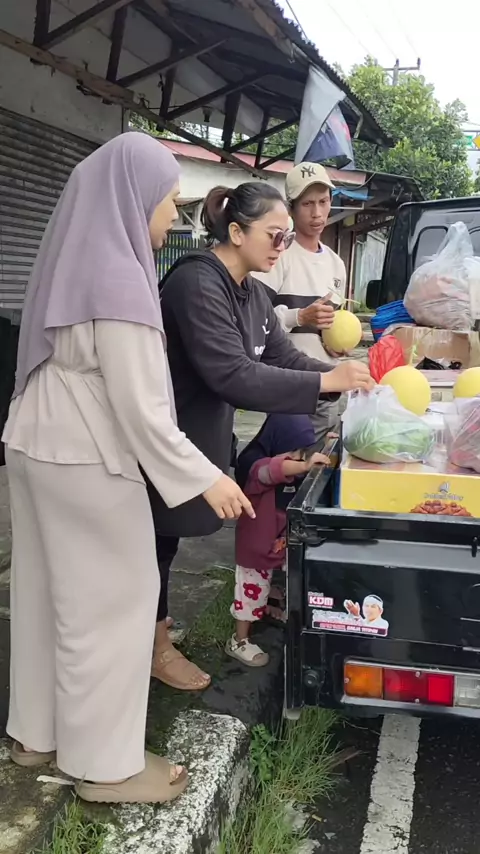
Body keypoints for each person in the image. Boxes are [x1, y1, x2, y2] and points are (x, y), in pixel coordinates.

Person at [2, 132, 253, 805]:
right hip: (86, 453)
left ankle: (36, 733)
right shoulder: (121, 278)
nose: (172, 214)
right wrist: (208, 476)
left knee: (45, 591)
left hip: (33, 440)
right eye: (167, 199)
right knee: (116, 601)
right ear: (133, 198)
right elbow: (142, 411)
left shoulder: (69, 261)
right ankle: (106, 766)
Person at [147, 181, 374, 692]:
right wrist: (325, 382)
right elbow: (233, 374)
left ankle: (152, 623)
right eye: (275, 235)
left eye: (286, 237)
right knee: (152, 542)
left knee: (165, 542)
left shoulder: (251, 293)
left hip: (201, 432)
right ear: (236, 231)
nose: (282, 246)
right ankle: (154, 646)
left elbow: (283, 357)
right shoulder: (197, 283)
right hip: (162, 436)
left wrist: (342, 377)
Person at [255, 162, 348, 445]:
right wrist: (299, 317)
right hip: (291, 390)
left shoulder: (336, 264)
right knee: (289, 463)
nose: (317, 213)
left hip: (329, 388)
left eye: (323, 201)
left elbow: (333, 326)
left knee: (319, 463)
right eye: (307, 204)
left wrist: (337, 344)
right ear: (291, 208)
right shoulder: (276, 256)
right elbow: (255, 320)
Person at [227, 413, 331, 667]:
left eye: (301, 452)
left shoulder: (295, 464)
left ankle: (270, 604)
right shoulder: (255, 467)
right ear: (276, 442)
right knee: (250, 593)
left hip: (280, 541)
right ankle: (239, 640)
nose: (297, 457)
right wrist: (303, 465)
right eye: (293, 451)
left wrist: (327, 445)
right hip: (256, 548)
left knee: (285, 579)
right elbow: (273, 470)